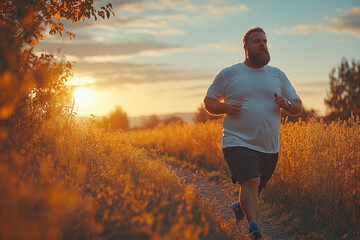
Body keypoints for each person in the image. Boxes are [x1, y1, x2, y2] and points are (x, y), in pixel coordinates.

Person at [204, 26, 302, 239]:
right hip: (236, 141)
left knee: (254, 185)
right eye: (257, 41)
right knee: (251, 180)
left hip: (268, 146)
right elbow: (209, 102)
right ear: (246, 47)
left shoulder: (277, 74)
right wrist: (226, 108)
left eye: (265, 41)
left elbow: (297, 106)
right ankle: (254, 228)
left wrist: (285, 103)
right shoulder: (230, 73)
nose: (263, 44)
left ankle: (241, 208)